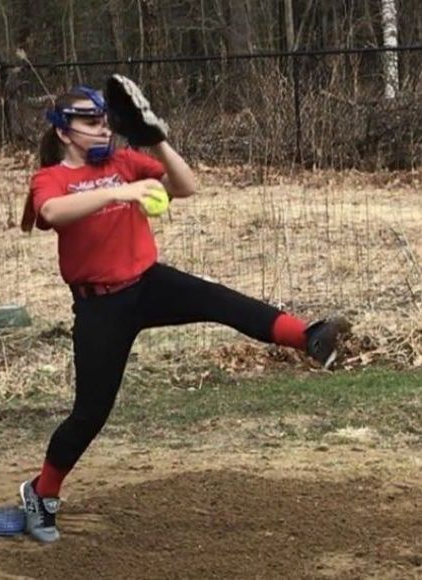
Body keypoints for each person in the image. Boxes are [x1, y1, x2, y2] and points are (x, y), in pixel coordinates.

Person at [19, 79, 349, 543]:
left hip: (147, 283)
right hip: (100, 306)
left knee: (220, 300)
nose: (103, 129)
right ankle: (41, 493)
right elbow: (52, 212)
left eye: (105, 121)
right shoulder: (52, 177)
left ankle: (309, 337)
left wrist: (155, 138)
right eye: (90, 122)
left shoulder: (124, 162)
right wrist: (119, 194)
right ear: (63, 131)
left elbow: (186, 186)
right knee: (90, 413)